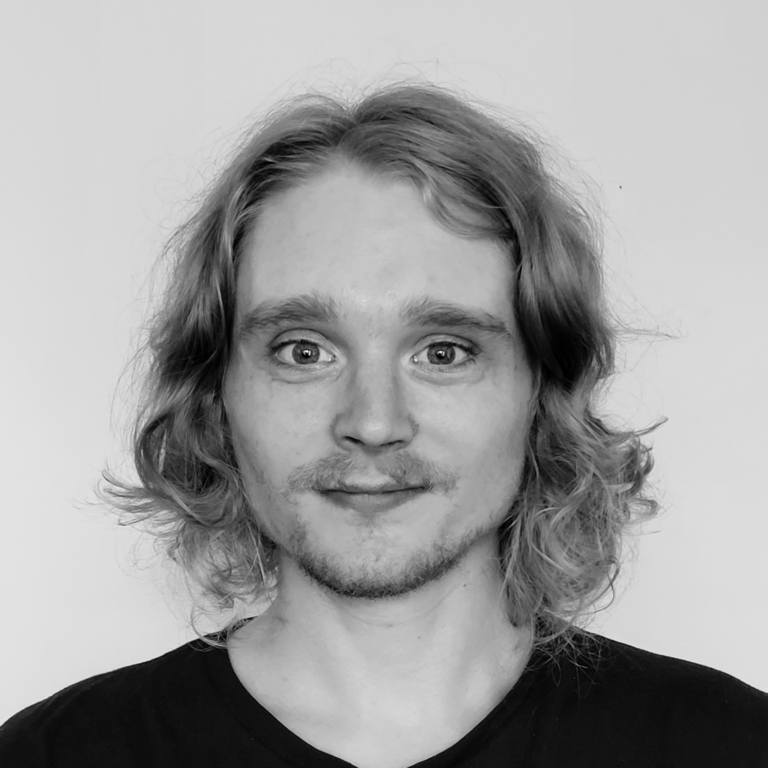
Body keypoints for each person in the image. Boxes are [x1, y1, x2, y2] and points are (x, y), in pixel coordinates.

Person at [1, 81, 766, 768]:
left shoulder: (729, 745)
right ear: (215, 392)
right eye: (304, 351)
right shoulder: (50, 755)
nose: (373, 422)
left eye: (443, 351)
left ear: (540, 389)